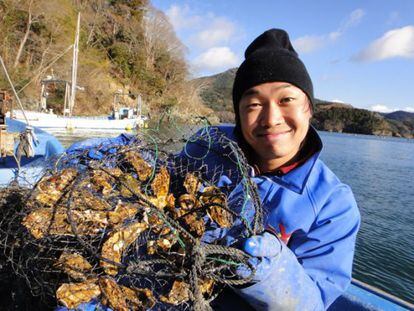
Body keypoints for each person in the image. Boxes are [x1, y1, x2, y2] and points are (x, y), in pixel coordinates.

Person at [61, 28, 360, 311]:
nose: (271, 118)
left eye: (287, 100)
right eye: (254, 104)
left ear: (308, 107)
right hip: (162, 284)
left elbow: (316, 301)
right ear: (239, 113)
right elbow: (162, 186)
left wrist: (271, 271)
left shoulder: (333, 204)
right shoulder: (208, 145)